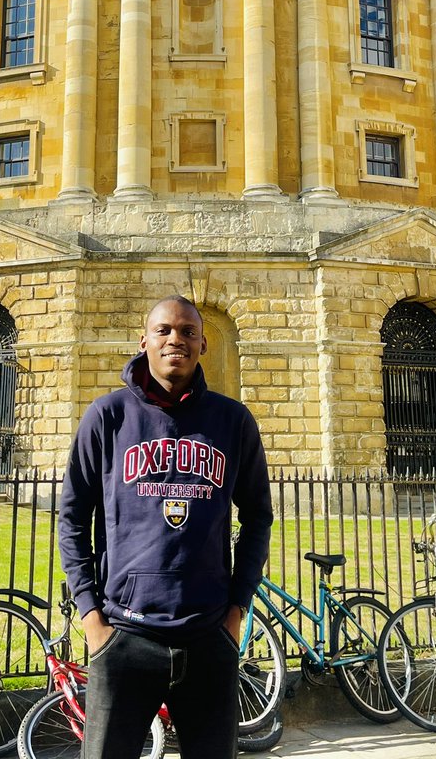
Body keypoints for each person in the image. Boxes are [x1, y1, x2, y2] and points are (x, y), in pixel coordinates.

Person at [59, 295, 272, 759]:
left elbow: (258, 515)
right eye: (164, 330)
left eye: (188, 332)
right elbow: (72, 517)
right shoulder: (107, 417)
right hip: (124, 633)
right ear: (144, 341)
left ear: (203, 345)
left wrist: (237, 607)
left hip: (208, 633)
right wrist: (91, 616)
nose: (176, 339)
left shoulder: (232, 421)